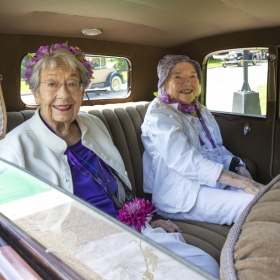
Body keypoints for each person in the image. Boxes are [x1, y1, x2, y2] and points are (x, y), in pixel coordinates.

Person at [0, 44, 220, 278]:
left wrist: (146, 219)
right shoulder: (14, 149)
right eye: (52, 84)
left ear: (82, 89)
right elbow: (10, 233)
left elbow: (118, 184)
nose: (64, 95)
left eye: (73, 83)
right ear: (35, 92)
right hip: (82, 251)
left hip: (130, 230)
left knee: (204, 266)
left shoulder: (93, 125)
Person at [141, 54, 264, 225]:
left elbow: (217, 148)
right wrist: (240, 182)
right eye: (178, 77)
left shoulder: (200, 109)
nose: (188, 82)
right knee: (257, 206)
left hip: (211, 184)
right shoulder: (159, 115)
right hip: (182, 193)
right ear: (164, 82)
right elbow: (185, 161)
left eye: (193, 76)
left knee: (265, 197)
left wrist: (238, 166)